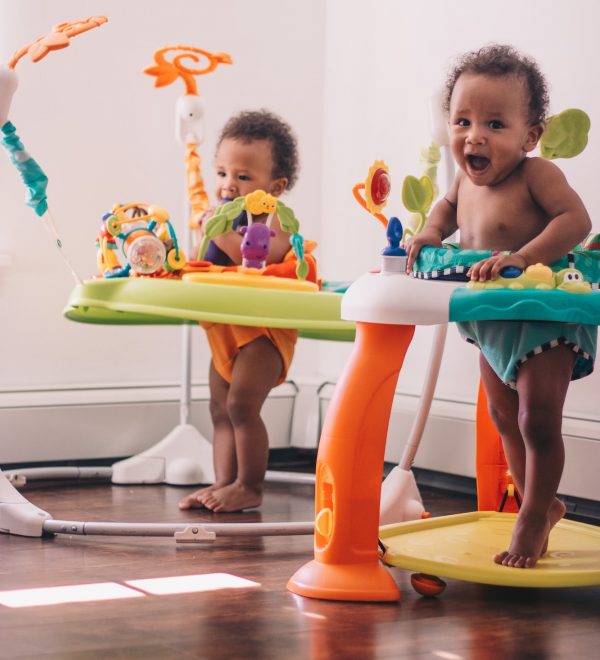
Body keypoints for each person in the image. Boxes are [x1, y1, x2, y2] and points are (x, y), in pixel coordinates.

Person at [406, 45, 596, 569]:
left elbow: (575, 222)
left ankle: (532, 515)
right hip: (491, 318)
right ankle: (543, 500)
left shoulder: (537, 176)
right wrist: (426, 232)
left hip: (544, 315)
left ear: (529, 136)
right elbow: (444, 211)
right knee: (502, 416)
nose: (475, 135)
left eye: (494, 122)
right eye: (462, 120)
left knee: (538, 420)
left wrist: (522, 256)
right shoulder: (464, 180)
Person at [179, 109, 300, 513]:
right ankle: (222, 484)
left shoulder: (278, 222)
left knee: (242, 406)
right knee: (219, 409)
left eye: (243, 177)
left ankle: (249, 485)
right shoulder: (220, 218)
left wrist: (221, 229)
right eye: (221, 173)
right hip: (225, 332)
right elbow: (201, 265)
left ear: (275, 186)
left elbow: (257, 262)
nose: (228, 185)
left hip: (263, 334)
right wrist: (201, 236)